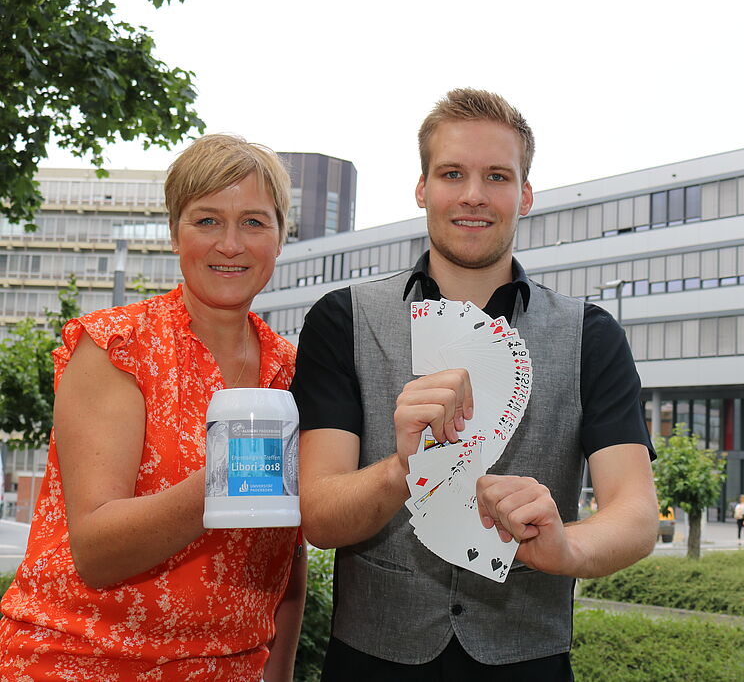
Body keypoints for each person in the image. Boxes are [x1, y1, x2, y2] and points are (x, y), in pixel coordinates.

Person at [292, 88, 659, 680]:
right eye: (452, 173)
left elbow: (636, 513)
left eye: (496, 176)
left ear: (526, 194)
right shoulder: (342, 320)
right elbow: (320, 517)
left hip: (528, 659)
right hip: (372, 658)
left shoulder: (590, 334)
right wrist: (400, 468)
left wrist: (568, 547)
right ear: (421, 187)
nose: (473, 195)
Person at [0, 134, 307, 680]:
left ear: (281, 237)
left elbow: (286, 558)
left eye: (254, 222)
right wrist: (230, 473)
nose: (230, 244)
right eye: (207, 220)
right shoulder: (117, 347)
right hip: (82, 660)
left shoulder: (294, 372)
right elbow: (96, 551)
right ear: (174, 233)